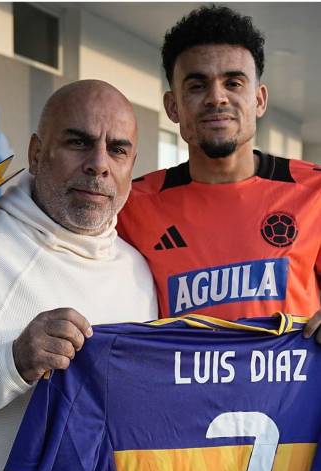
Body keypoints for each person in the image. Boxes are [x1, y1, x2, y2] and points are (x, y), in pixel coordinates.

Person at [0, 79, 158, 471]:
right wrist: (11, 364)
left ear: (131, 168)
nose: (98, 164)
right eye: (78, 141)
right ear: (36, 152)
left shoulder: (140, 271)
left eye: (117, 149)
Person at [118, 5, 321, 341]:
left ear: (259, 99)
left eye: (233, 82)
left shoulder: (314, 190)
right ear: (173, 106)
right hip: (178, 393)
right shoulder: (131, 206)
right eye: (197, 86)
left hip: (290, 394)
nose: (217, 98)